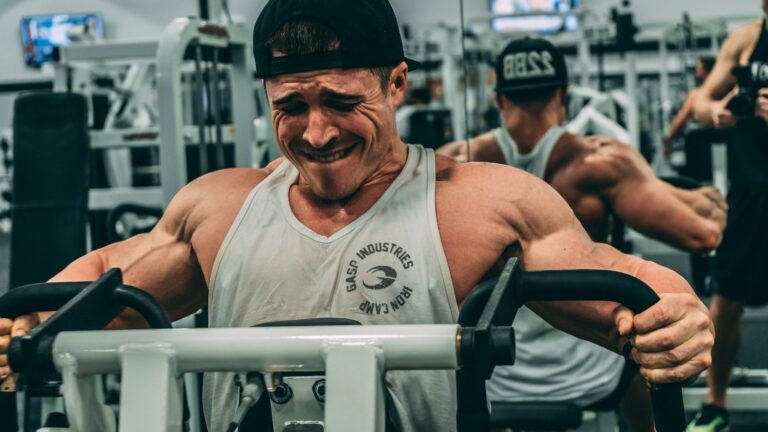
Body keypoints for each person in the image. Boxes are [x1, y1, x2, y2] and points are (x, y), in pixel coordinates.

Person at [0, 2, 714, 431]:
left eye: (342, 103)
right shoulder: (218, 208)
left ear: (396, 83)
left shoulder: (484, 201)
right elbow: (98, 280)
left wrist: (677, 316)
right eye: (291, 107)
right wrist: (21, 326)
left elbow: (627, 283)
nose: (316, 133)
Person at [438, 37, 726, 432]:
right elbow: (702, 237)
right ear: (563, 96)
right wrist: (701, 202)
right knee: (636, 361)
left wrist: (675, 193)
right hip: (587, 364)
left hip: (493, 371)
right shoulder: (598, 162)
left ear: (500, 100)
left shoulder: (456, 168)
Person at [690, 2, 768, 430]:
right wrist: (714, 112)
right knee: (725, 299)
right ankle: (715, 403)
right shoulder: (745, 40)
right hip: (749, 192)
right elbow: (701, 101)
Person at [663, 56, 717, 157]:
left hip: (704, 143)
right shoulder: (724, 91)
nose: (696, 69)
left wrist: (668, 139)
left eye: (699, 67)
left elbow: (680, 120)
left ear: (705, 69)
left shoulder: (696, 94)